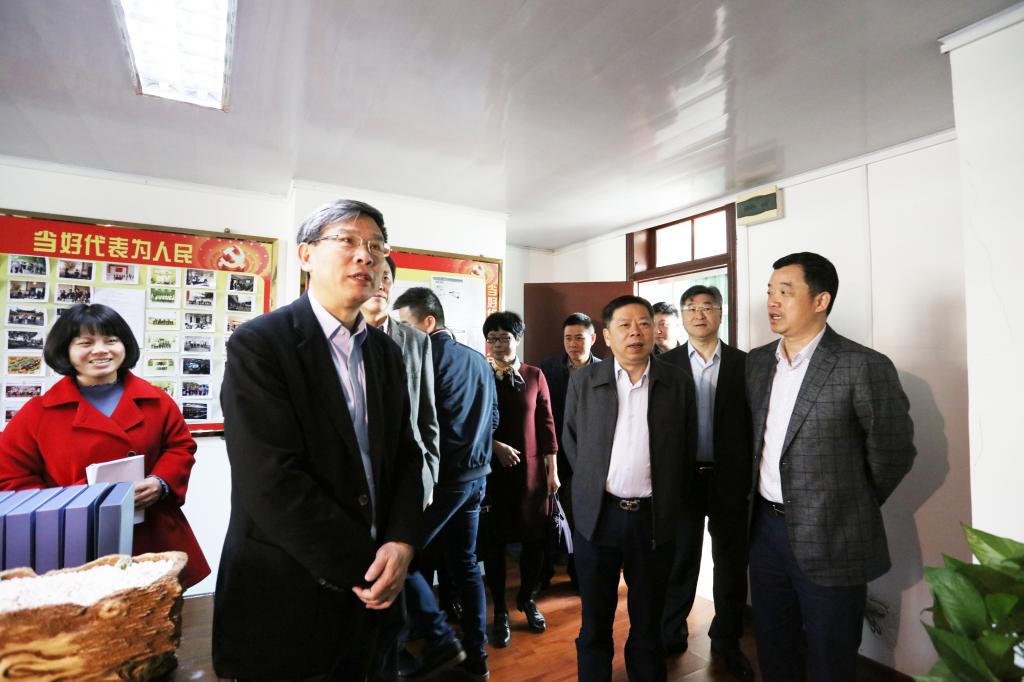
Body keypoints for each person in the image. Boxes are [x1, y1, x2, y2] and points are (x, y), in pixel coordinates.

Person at [213, 199, 423, 681]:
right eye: (347, 240)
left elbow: (405, 456)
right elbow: (271, 480)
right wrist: (369, 567)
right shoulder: (261, 344)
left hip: (377, 595)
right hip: (291, 591)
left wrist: (402, 541)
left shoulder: (385, 352)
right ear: (306, 255)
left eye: (376, 246)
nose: (366, 255)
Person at [747, 252, 916, 682]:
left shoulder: (862, 365)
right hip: (765, 530)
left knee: (831, 652)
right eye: (770, 291)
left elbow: (894, 452)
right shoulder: (757, 363)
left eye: (785, 292)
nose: (772, 301)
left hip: (834, 533)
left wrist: (849, 501)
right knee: (773, 641)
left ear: (820, 301)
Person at [0, 303, 210, 588]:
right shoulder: (37, 413)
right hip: (73, 541)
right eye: (85, 343)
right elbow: (11, 478)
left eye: (111, 340)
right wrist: (70, 504)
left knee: (157, 609)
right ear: (65, 350)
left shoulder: (156, 400)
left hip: (151, 535)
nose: (100, 350)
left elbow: (180, 447)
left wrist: (160, 482)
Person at [563, 295, 693, 682]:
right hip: (599, 516)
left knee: (649, 622)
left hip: (653, 520)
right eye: (624, 325)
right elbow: (571, 440)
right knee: (594, 621)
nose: (635, 332)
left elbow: (686, 447)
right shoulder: (585, 381)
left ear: (654, 330)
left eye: (644, 323)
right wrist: (592, 483)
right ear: (606, 335)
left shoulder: (676, 382)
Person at [392, 286, 497, 682]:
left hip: (443, 481)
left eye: (405, 325)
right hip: (477, 478)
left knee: (400, 559)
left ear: (428, 322)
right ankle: (477, 655)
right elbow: (493, 419)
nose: (399, 332)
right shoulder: (478, 359)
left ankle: (428, 642)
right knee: (465, 565)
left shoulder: (424, 358)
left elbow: (419, 427)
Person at [658, 286, 753, 678]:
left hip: (729, 478)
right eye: (691, 308)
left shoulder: (745, 364)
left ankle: (727, 637)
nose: (699, 314)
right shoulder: (664, 365)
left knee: (730, 563)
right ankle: (670, 632)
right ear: (682, 316)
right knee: (680, 558)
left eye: (707, 307)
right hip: (682, 478)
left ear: (720, 313)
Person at [480, 311, 559, 647]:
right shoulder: (479, 372)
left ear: (518, 339)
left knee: (534, 540)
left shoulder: (534, 375)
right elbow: (469, 420)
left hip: (531, 472)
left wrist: (553, 471)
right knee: (494, 543)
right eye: (492, 338)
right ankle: (500, 609)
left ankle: (527, 598)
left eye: (505, 337)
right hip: (491, 473)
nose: (498, 344)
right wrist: (493, 445)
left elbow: (547, 424)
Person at [361, 255, 441, 508]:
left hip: (407, 473)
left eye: (386, 277)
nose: (380, 284)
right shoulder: (338, 338)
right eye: (373, 275)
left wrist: (430, 475)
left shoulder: (417, 340)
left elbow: (427, 415)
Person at [538, 312, 601, 589]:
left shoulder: (604, 370)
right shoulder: (549, 367)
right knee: (547, 514)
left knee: (582, 517)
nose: (573, 344)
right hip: (553, 452)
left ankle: (579, 574)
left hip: (588, 455)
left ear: (593, 339)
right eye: (568, 338)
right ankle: (543, 575)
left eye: (579, 338)